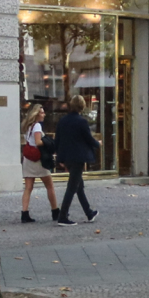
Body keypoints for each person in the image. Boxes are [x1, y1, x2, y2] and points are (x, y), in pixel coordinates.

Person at [54, 95, 100, 227]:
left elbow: (57, 140)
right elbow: (88, 139)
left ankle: (89, 212)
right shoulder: (82, 122)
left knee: (79, 186)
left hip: (67, 157)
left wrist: (59, 157)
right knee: (72, 187)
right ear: (82, 106)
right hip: (78, 157)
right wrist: (98, 144)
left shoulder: (62, 120)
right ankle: (62, 216)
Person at [19, 102, 58, 223]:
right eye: (42, 112)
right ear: (36, 114)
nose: (44, 114)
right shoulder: (37, 126)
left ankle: (24, 213)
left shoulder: (27, 126)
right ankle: (55, 211)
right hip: (38, 160)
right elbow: (38, 142)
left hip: (28, 160)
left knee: (28, 188)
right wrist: (47, 140)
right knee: (49, 186)